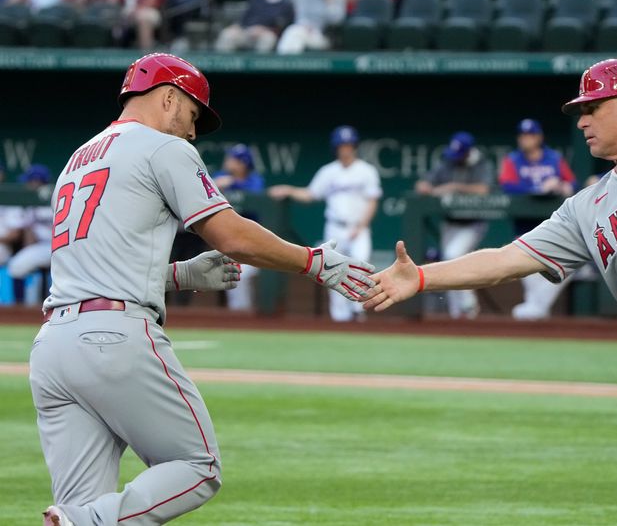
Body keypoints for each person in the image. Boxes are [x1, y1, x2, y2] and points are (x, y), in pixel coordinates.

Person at [364, 58, 617, 526]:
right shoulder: (590, 203)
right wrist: (420, 277)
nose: (581, 120)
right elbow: (506, 260)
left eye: (593, 107)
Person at [35, 53, 374, 526]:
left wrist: (181, 275)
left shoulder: (77, 158)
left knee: (78, 506)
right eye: (193, 116)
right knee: (197, 467)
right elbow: (232, 236)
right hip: (114, 339)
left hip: (53, 347)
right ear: (169, 97)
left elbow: (92, 264)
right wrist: (314, 262)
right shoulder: (162, 147)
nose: (193, 132)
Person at [268, 125, 381, 322]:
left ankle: (358, 311)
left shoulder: (367, 171)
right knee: (334, 270)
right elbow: (311, 194)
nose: (345, 149)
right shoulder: (328, 171)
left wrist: (361, 226)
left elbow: (372, 201)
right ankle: (340, 317)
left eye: (348, 145)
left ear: (354, 146)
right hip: (335, 227)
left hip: (358, 228)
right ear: (336, 147)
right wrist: (289, 189)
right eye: (341, 145)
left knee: (361, 267)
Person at [499, 118, 577, 320]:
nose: (526, 139)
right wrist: (539, 188)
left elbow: (572, 183)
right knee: (531, 277)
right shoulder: (513, 160)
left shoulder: (553, 158)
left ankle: (534, 313)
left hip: (553, 224)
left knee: (564, 267)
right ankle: (535, 315)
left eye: (530, 135)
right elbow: (507, 186)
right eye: (522, 135)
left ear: (539, 137)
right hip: (525, 227)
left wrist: (560, 185)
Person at [415, 131, 494, 319]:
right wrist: (428, 187)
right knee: (447, 263)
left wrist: (455, 187)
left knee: (453, 256)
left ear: (469, 152)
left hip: (472, 223)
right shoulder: (448, 162)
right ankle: (457, 316)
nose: (456, 159)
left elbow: (484, 189)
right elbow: (422, 184)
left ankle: (468, 305)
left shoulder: (481, 163)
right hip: (450, 223)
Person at [213, 143, 265, 311]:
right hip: (226, 240)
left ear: (242, 164)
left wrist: (233, 183)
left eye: (233, 159)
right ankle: (239, 315)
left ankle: (243, 315)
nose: (228, 161)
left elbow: (256, 191)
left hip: (253, 241)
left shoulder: (255, 180)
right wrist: (221, 183)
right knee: (234, 274)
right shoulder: (220, 176)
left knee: (241, 274)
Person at [6, 164, 54, 305]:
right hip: (43, 246)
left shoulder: (52, 196)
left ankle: (20, 309)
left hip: (58, 245)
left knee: (17, 266)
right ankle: (20, 310)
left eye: (29, 181)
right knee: (16, 266)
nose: (26, 185)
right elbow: (29, 234)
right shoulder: (30, 202)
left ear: (37, 181)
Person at [214, 0, 294, 53]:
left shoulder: (286, 3)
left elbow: (283, 26)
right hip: (247, 32)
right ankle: (224, 70)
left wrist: (263, 30)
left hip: (267, 34)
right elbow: (244, 20)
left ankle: (260, 73)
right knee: (228, 34)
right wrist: (237, 26)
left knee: (268, 38)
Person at [276, 0, 345, 54]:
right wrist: (306, 25)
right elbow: (301, 16)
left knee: (295, 32)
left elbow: (337, 20)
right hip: (306, 31)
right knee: (294, 32)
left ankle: (283, 62)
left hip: (325, 36)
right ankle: (287, 62)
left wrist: (329, 2)